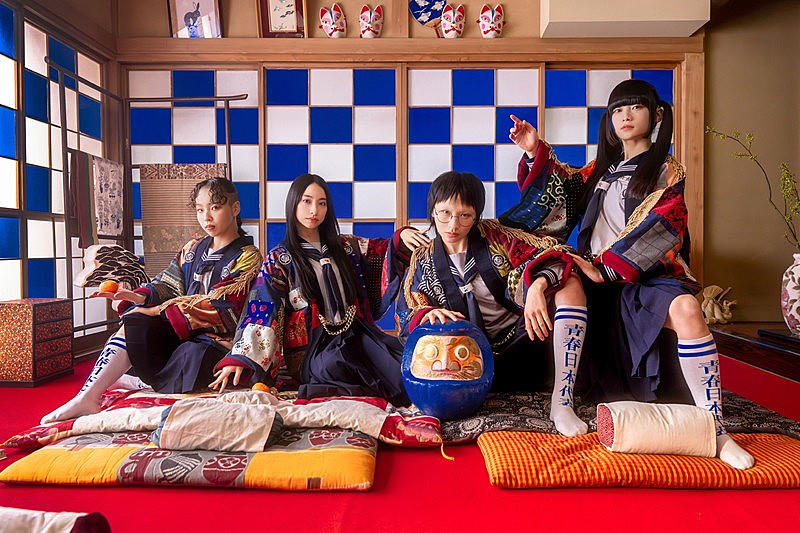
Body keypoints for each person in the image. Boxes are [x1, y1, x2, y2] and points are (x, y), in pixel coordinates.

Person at [503, 79, 754, 469]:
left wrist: (607, 267)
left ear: (656, 115)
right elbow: (560, 195)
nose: (625, 116)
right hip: (593, 275)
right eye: (617, 110)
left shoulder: (666, 170)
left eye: (635, 107)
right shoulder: (599, 171)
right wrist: (535, 150)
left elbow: (664, 225)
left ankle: (717, 430)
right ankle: (561, 401)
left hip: (642, 274)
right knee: (565, 282)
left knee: (688, 309)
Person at [41, 177, 262, 424]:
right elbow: (168, 284)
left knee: (191, 357)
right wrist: (135, 296)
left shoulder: (248, 257)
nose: (206, 217)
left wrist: (158, 312)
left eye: (215, 207)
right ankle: (88, 396)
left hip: (218, 339)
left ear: (235, 208)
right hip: (178, 328)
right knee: (134, 321)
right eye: (200, 210)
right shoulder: (192, 249)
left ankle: (134, 380)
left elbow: (224, 306)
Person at [397, 171, 589, 436]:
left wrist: (538, 285)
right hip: (467, 359)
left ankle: (562, 401)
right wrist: (429, 312)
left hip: (525, 340)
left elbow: (551, 254)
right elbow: (409, 307)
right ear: (432, 211)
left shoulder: (496, 237)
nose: (453, 225)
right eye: (444, 213)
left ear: (477, 215)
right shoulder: (423, 259)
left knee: (570, 283)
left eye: (465, 215)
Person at [211, 173, 427, 406]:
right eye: (306, 201)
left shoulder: (345, 247)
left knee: (401, 368)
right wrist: (242, 357)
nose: (314, 210)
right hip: (313, 347)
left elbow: (383, 251)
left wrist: (401, 237)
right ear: (293, 203)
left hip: (357, 333)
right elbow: (262, 308)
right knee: (335, 366)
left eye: (321, 203)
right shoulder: (280, 259)